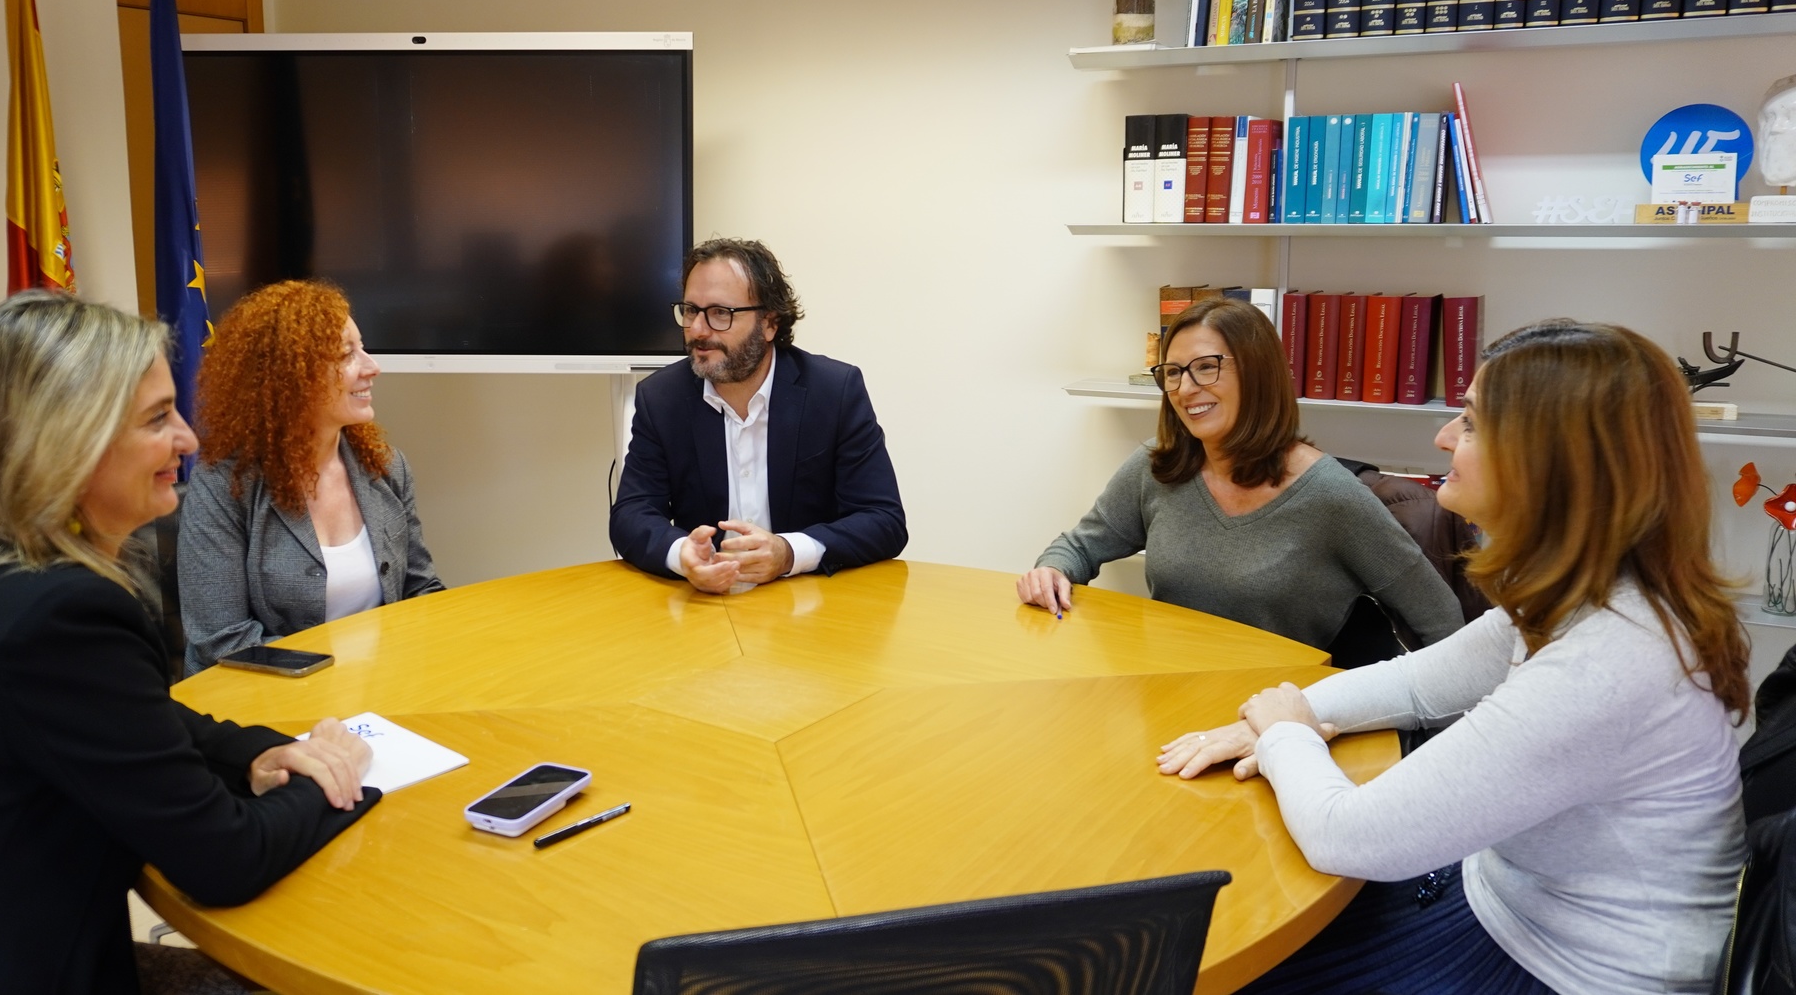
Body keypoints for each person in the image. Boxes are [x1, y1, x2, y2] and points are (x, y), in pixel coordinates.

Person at [0, 292, 379, 995]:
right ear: (67, 444)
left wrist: (260, 749)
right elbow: (225, 860)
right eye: (156, 418)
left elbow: (144, 717)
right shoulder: (62, 615)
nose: (190, 439)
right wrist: (341, 774)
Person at [1157, 320, 1750, 995]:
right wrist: (1276, 719)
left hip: (1554, 968)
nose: (1442, 438)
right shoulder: (1594, 597)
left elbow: (1347, 836)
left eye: (1468, 423)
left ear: (1544, 460)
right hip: (1507, 904)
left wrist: (1289, 729)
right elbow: (1418, 682)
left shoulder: (1607, 663)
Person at [1018, 297, 1463, 652]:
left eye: (1206, 367)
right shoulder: (1159, 465)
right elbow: (1079, 546)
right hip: (1166, 696)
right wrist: (1053, 571)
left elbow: (1441, 622)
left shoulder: (1333, 496)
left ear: (1257, 373)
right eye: (1172, 373)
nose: (1186, 388)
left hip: (1275, 725)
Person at [610, 238, 907, 592]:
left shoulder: (835, 391)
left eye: (721, 312)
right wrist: (680, 554)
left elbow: (883, 520)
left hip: (808, 604)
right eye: (691, 310)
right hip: (706, 607)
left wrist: (789, 552)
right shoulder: (661, 398)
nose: (699, 330)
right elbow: (631, 514)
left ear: (769, 323)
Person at [180, 280, 442, 675]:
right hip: (265, 704)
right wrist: (345, 676)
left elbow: (421, 591)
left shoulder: (386, 466)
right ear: (289, 377)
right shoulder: (223, 484)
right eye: (346, 354)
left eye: (363, 347)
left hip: (383, 687)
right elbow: (223, 639)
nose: (372, 367)